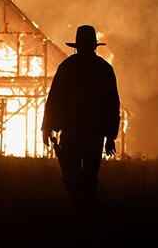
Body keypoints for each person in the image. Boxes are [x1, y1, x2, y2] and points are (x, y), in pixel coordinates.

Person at [42, 24, 121, 211]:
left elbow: (54, 100)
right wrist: (110, 136)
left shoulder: (67, 68)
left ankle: (79, 210)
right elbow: (112, 105)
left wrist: (47, 127)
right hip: (94, 134)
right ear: (94, 46)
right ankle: (87, 212)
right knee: (89, 177)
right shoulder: (104, 69)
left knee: (72, 176)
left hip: (73, 132)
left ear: (76, 45)